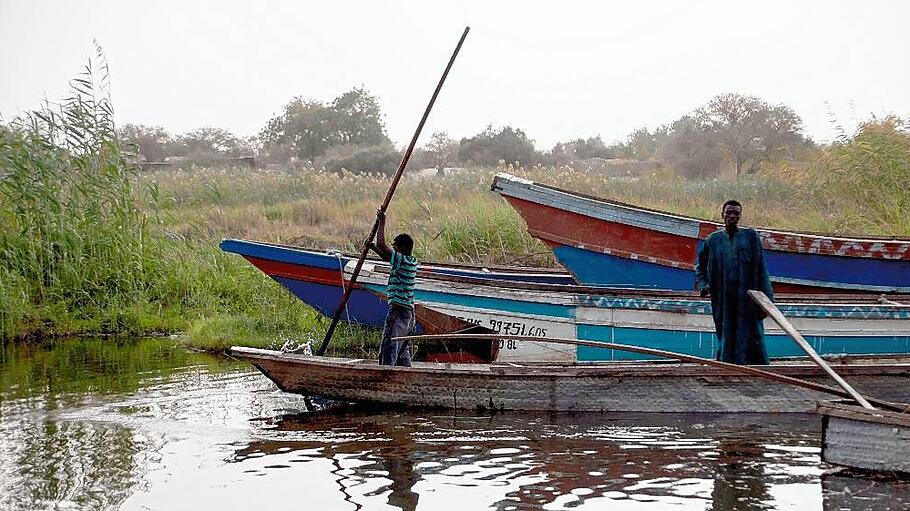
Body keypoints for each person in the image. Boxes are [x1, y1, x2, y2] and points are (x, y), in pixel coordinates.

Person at [695, 200, 774, 365]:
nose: (732, 216)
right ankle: (728, 366)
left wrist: (767, 301)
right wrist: (704, 286)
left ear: (740, 216)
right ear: (722, 215)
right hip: (723, 299)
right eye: (729, 213)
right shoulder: (713, 240)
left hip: (747, 299)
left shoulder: (751, 237)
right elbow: (700, 267)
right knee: (726, 333)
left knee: (752, 333)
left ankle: (756, 368)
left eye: (736, 213)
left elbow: (761, 269)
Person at [368, 209, 418, 366]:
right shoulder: (410, 262)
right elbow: (384, 254)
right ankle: (405, 373)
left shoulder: (402, 261)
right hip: (409, 313)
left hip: (398, 310)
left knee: (389, 344)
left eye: (395, 247)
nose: (393, 249)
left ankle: (385, 376)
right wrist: (372, 248)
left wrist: (382, 221)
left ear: (402, 249)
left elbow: (381, 245)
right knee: (402, 348)